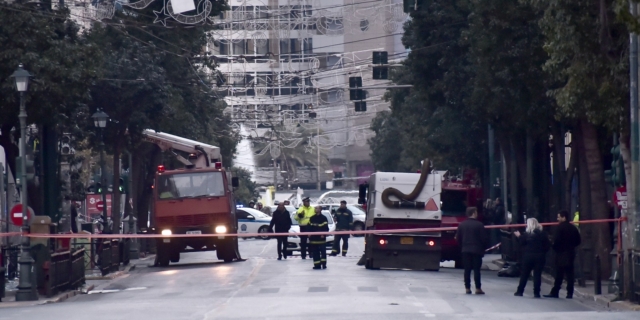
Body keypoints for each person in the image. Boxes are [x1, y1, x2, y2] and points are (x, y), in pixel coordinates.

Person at [544, 210, 582, 299]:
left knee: (559, 274)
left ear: (564, 217)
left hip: (561, 253)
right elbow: (578, 240)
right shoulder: (573, 228)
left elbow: (556, 241)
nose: (557, 219)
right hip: (570, 252)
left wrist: (555, 247)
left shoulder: (560, 228)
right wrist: (571, 246)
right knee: (570, 274)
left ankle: (555, 291)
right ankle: (570, 293)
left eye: (559, 217)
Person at [514, 218, 550, 298]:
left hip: (528, 256)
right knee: (537, 275)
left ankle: (520, 291)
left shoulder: (527, 234)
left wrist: (519, 236)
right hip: (540, 256)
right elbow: (547, 246)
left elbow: (522, 243)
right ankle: (536, 293)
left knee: (525, 274)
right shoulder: (543, 234)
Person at [455, 207, 488, 295]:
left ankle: (467, 288)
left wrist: (462, 246)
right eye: (476, 212)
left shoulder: (462, 225)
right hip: (477, 250)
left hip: (465, 250)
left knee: (467, 270)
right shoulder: (479, 225)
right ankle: (478, 288)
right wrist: (483, 249)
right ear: (473, 213)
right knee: (477, 270)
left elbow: (458, 238)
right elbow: (484, 239)